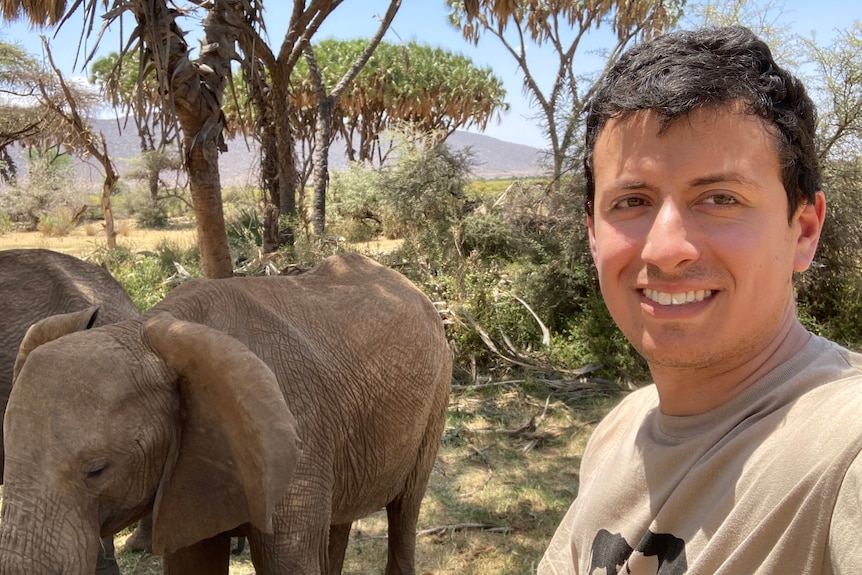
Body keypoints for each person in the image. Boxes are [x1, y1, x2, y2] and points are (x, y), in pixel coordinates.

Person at [538, 25, 862, 574]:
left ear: (804, 230)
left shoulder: (844, 453)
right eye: (631, 201)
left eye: (719, 198)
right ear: (593, 234)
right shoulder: (620, 431)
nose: (667, 250)